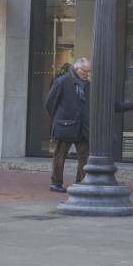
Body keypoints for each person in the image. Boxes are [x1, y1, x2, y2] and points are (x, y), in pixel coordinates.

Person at [45, 57, 91, 193]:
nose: (86, 74)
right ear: (77, 68)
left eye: (88, 72)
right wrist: (58, 119)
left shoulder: (88, 84)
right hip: (65, 125)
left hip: (82, 127)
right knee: (60, 155)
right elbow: (49, 102)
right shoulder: (63, 81)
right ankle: (56, 183)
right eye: (84, 71)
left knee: (84, 155)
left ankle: (82, 182)